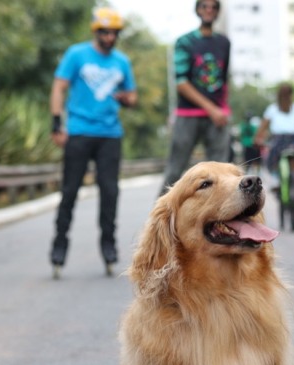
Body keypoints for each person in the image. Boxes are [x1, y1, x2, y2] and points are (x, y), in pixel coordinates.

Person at [49, 8, 137, 278]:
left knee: (110, 191)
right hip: (79, 131)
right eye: (105, 33)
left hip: (110, 134)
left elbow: (132, 96)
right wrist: (56, 123)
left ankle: (108, 244)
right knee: (70, 191)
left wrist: (126, 99)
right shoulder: (76, 54)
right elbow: (59, 87)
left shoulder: (122, 61)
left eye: (114, 33)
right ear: (96, 32)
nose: (110, 37)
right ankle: (60, 244)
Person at [158, 0, 231, 196]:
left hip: (217, 116)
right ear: (198, 10)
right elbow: (181, 83)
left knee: (222, 173)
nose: (209, 10)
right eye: (205, 6)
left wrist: (224, 110)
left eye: (213, 7)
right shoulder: (185, 42)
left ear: (217, 12)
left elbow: (224, 80)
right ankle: (160, 215)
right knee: (175, 171)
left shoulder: (224, 42)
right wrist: (211, 108)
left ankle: (223, 213)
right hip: (188, 114)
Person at [254, 83, 294, 213]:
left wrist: (257, 139)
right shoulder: (287, 108)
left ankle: (280, 184)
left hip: (282, 141)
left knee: (275, 163)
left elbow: (262, 127)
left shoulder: (278, 109)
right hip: (291, 141)